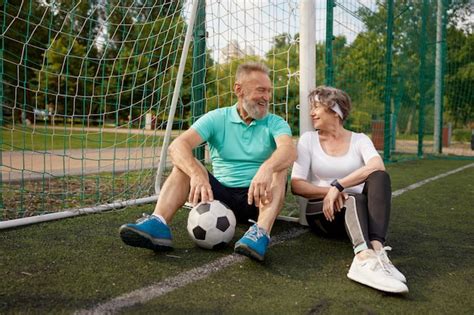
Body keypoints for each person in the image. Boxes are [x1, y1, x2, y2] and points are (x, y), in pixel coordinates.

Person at [119, 62, 296, 261]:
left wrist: (267, 167)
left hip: (257, 197)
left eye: (269, 91)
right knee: (183, 166)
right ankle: (158, 224)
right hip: (218, 197)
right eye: (261, 90)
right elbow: (177, 146)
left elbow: (289, 150)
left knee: (278, 170)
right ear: (239, 89)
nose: (266, 97)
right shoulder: (216, 118)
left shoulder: (275, 123)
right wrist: (196, 173)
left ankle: (259, 234)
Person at [291, 86, 408, 293]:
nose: (311, 113)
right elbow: (296, 185)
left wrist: (339, 185)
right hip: (323, 215)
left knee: (379, 178)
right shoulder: (308, 140)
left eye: (317, 107)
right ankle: (363, 258)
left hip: (357, 215)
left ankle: (378, 252)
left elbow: (377, 165)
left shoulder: (360, 139)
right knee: (352, 198)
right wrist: (330, 192)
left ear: (334, 110)